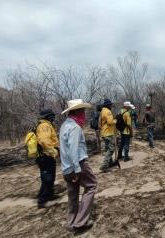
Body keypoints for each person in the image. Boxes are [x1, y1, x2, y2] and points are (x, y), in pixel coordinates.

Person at [59, 99, 97, 232]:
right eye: (83, 111)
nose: (84, 115)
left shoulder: (64, 125)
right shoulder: (75, 128)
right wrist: (77, 169)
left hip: (66, 167)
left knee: (73, 194)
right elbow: (73, 149)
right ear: (78, 112)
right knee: (91, 186)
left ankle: (71, 222)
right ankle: (80, 222)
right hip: (78, 164)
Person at [35, 108, 60, 208]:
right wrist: (53, 151)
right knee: (48, 178)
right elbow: (44, 141)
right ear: (48, 117)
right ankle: (42, 200)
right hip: (46, 156)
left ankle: (49, 195)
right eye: (52, 115)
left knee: (48, 177)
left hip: (46, 155)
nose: (53, 117)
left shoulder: (45, 125)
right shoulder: (44, 126)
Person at [98, 98, 117, 172]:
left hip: (104, 132)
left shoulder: (102, 111)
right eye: (110, 105)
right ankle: (104, 165)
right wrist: (115, 120)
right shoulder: (108, 112)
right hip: (108, 132)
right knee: (111, 149)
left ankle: (110, 162)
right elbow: (110, 122)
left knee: (107, 149)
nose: (111, 106)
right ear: (108, 105)